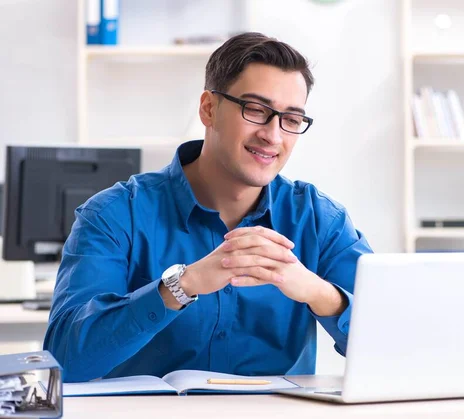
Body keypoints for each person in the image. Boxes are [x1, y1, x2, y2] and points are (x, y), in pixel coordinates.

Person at [44, 32, 373, 383]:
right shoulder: (113, 215)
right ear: (208, 109)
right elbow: (64, 361)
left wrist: (319, 293)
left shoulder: (320, 220)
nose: (273, 136)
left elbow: (401, 344)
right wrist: (183, 284)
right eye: (256, 110)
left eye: (291, 120)